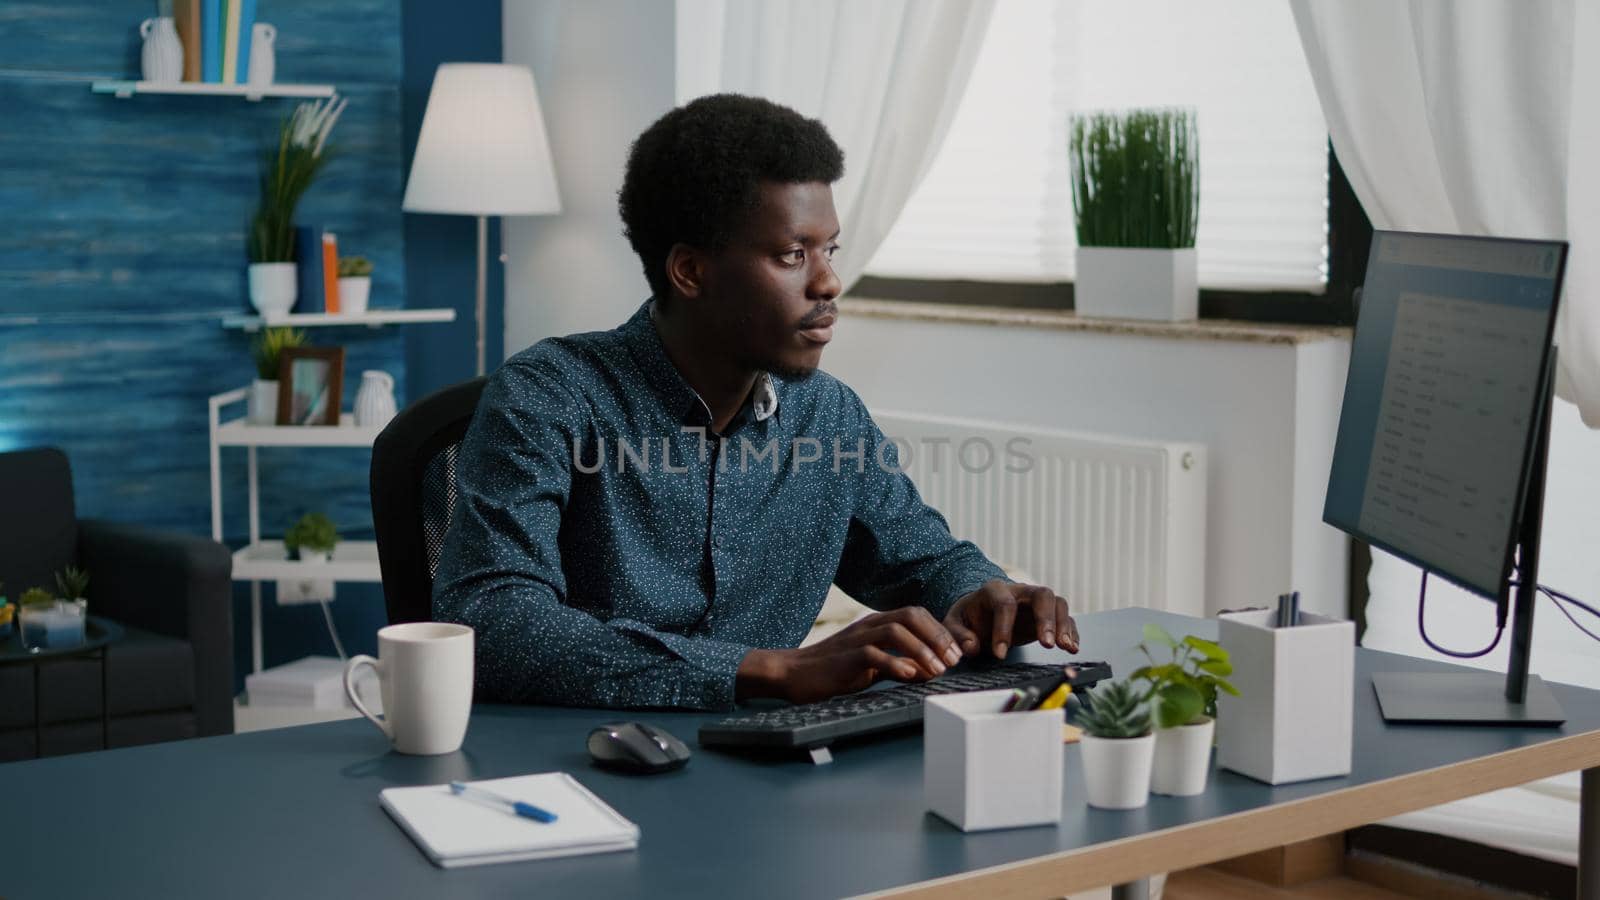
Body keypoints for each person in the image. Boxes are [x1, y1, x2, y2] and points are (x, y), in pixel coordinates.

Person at [432, 94, 1079, 710]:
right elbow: (492, 624)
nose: (828, 282)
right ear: (690, 272)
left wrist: (984, 597)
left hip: (763, 770)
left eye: (830, 250)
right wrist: (770, 671)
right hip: (573, 771)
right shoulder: (550, 397)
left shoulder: (826, 416)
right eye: (792, 254)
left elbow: (923, 559)